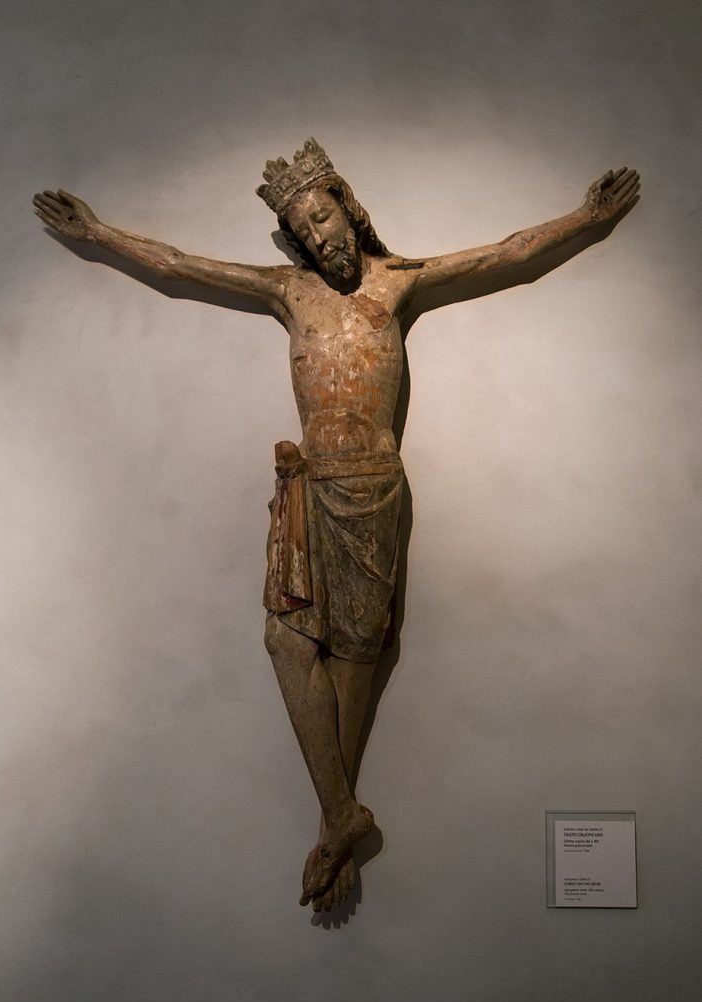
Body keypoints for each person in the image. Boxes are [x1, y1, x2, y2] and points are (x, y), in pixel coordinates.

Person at [33, 139, 639, 912]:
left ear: (347, 209)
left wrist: (585, 218)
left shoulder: (397, 281)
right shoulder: (289, 291)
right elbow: (180, 265)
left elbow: (507, 253)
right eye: (304, 230)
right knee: (285, 640)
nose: (320, 238)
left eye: (324, 218)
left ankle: (335, 830)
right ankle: (343, 815)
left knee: (356, 656)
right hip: (309, 485)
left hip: (374, 487)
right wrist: (99, 233)